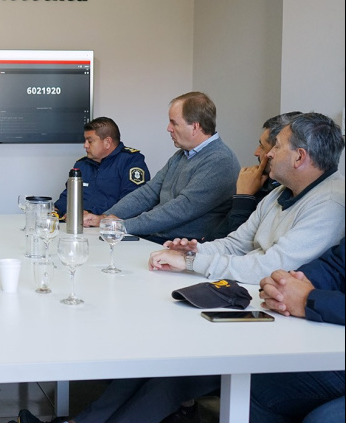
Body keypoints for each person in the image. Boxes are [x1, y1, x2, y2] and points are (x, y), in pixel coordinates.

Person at [9, 237, 345, 423]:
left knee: (215, 365)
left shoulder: (328, 200)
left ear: (300, 156)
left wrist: (309, 299)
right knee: (176, 357)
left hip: (328, 351)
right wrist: (290, 283)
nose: (265, 153)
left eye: (276, 145)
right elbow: (332, 265)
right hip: (307, 324)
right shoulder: (282, 195)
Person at [149, 112, 345, 284]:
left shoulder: (331, 203)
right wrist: (194, 252)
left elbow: (272, 267)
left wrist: (192, 262)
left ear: (299, 157)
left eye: (277, 147)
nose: (269, 154)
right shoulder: (281, 191)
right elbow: (237, 244)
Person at [83, 92, 241, 243]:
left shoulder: (219, 160)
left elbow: (180, 209)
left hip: (182, 246)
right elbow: (148, 193)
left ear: (195, 127)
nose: (168, 128)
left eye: (174, 123)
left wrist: (122, 226)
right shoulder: (181, 155)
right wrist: (106, 218)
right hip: (158, 238)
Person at [204, 112, 301, 241]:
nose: (256, 152)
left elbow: (240, 244)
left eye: (262, 146)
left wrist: (244, 197)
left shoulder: (284, 194)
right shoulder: (263, 182)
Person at [53, 117, 149, 220]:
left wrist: (93, 214)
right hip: (80, 224)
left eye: (90, 141)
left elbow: (132, 203)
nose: (85, 145)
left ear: (107, 142)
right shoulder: (81, 164)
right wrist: (56, 210)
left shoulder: (131, 161)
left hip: (112, 226)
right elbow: (68, 197)